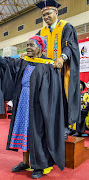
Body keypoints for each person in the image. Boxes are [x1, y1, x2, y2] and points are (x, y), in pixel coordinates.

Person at [0, 34, 65, 179]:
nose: (28, 48)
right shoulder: (24, 62)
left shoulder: (48, 65)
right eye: (27, 45)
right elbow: (6, 64)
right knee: (25, 131)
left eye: (32, 45)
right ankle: (25, 162)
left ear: (40, 48)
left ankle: (38, 165)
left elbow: (53, 89)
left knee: (37, 133)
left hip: (39, 105)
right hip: (23, 102)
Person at [36, 0, 81, 136]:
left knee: (62, 98)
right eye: (43, 15)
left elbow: (69, 46)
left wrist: (62, 58)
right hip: (45, 73)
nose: (46, 17)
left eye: (48, 13)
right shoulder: (41, 32)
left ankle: (65, 126)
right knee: (47, 99)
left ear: (56, 12)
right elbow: (37, 49)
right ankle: (48, 126)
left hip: (62, 71)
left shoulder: (66, 27)